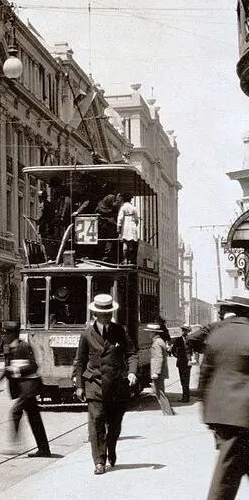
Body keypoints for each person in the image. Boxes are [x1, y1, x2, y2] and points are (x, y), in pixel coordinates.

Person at [197, 296, 249, 500]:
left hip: (221, 413)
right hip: (243, 414)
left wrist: (208, 414)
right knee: (227, 471)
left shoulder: (216, 335)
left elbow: (205, 376)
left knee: (236, 466)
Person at [73, 294, 138, 474]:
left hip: (117, 386)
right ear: (95, 314)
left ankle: (111, 446)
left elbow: (132, 353)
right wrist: (79, 385)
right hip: (95, 384)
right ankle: (99, 461)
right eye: (102, 314)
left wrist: (132, 372)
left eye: (108, 313)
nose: (105, 317)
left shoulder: (119, 331)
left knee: (115, 425)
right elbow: (80, 361)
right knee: (96, 422)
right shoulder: (87, 334)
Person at [0, 321, 51, 457]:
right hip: (22, 389)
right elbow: (7, 368)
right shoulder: (9, 348)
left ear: (13, 334)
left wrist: (17, 370)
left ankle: (15, 446)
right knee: (34, 419)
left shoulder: (24, 347)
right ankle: (44, 449)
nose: (4, 337)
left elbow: (33, 366)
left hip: (29, 388)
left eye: (6, 334)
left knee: (15, 413)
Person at [145, 323, 175, 416]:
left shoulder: (157, 343)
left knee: (160, 393)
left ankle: (168, 413)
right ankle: (168, 412)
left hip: (158, 371)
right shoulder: (160, 341)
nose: (148, 334)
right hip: (160, 371)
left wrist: (156, 372)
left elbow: (159, 357)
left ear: (154, 333)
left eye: (150, 333)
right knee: (159, 391)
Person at [171, 324, 194, 402]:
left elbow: (194, 350)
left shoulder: (190, 339)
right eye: (183, 330)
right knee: (182, 380)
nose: (184, 331)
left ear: (188, 331)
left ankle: (186, 397)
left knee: (186, 380)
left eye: (186, 330)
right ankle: (185, 396)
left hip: (188, 362)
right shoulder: (178, 340)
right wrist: (178, 356)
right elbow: (173, 350)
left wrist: (192, 359)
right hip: (181, 362)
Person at [116, 192, 139, 265]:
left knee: (125, 243)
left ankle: (125, 259)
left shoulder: (123, 207)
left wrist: (118, 227)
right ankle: (130, 260)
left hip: (125, 225)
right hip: (132, 225)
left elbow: (120, 218)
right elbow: (136, 219)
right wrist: (135, 224)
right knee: (131, 244)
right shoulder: (133, 208)